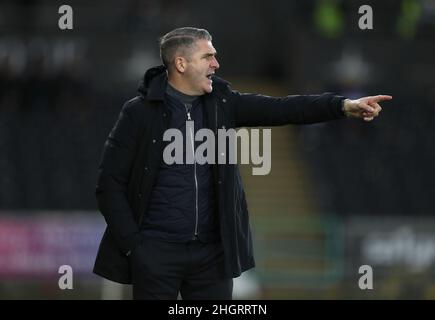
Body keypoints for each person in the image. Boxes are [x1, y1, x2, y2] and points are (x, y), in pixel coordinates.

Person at [93, 27, 392, 300]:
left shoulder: (223, 103)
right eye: (208, 56)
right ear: (181, 64)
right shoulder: (138, 113)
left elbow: (282, 109)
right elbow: (109, 185)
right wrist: (136, 246)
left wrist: (341, 106)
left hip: (212, 257)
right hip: (155, 252)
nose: (216, 64)